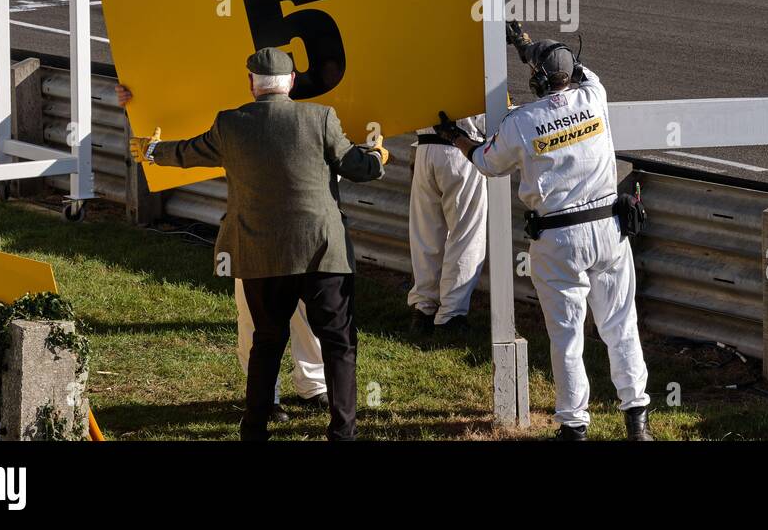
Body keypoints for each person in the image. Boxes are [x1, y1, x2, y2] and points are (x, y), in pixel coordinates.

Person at [127, 48, 389, 441]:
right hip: (323, 252)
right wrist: (378, 155)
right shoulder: (321, 118)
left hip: (261, 254)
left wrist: (150, 151)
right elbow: (357, 168)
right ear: (293, 82)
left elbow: (186, 153)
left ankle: (254, 429)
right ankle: (343, 432)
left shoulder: (230, 125)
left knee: (266, 341)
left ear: (251, 84)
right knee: (338, 341)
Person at [437, 25, 652, 442]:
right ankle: (637, 419)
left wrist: (457, 138)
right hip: (609, 228)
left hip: (559, 238)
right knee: (621, 325)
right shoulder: (595, 95)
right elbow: (571, 65)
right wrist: (527, 45)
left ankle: (574, 425)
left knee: (567, 336)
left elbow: (485, 162)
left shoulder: (522, 122)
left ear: (536, 80)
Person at [116, 81, 329, 419]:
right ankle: (265, 395)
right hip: (255, 232)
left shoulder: (317, 116)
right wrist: (141, 100)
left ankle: (313, 384)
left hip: (299, 231)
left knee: (300, 310)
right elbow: (191, 124)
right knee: (254, 314)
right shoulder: (234, 122)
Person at [407, 115, 488, 333]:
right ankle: (451, 315)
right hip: (462, 148)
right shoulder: (478, 77)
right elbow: (488, 119)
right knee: (466, 235)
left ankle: (423, 308)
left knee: (426, 233)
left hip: (425, 147)